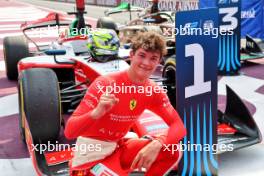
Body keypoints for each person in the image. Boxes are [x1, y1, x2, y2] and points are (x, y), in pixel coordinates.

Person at [64, 31, 186, 176]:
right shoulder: (104, 83)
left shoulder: (153, 90)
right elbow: (69, 132)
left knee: (172, 150)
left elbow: (179, 126)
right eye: (142, 55)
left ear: (159, 62)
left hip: (118, 147)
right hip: (91, 154)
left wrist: (157, 143)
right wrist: (96, 113)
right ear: (131, 55)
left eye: (153, 58)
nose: (146, 63)